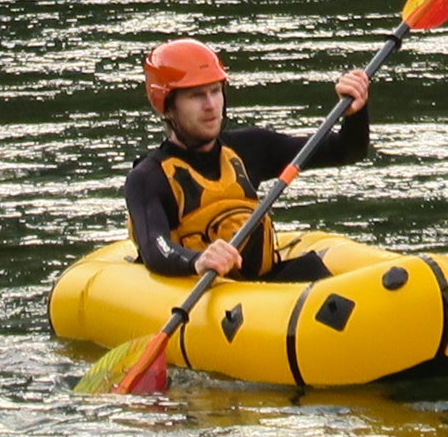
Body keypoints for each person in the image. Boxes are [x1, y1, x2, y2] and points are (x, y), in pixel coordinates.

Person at [126, 37, 374, 285]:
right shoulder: (149, 177)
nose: (211, 106)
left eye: (215, 91)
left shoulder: (250, 147)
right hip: (207, 294)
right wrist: (198, 261)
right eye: (196, 96)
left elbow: (347, 150)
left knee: (312, 269)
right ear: (167, 107)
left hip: (262, 288)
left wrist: (355, 111)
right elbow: (155, 248)